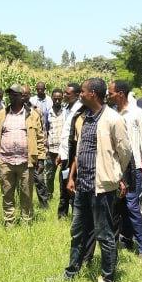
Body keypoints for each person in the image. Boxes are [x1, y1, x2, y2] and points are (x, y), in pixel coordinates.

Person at [63, 78, 133, 282]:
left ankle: (108, 277)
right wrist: (72, 177)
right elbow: (78, 150)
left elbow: (125, 152)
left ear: (93, 93)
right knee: (77, 231)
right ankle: (71, 271)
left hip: (102, 186)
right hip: (82, 186)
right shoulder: (82, 117)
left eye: (82, 92)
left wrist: (116, 174)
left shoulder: (113, 119)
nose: (80, 95)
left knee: (104, 233)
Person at [0, 84, 46, 226]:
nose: (12, 98)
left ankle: (26, 222)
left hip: (26, 162)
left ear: (22, 97)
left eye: (15, 95)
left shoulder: (33, 115)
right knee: (7, 193)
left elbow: (40, 138)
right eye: (10, 95)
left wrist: (41, 159)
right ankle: (9, 222)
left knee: (26, 194)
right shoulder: (1, 115)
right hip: (5, 161)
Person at [110, 78, 142, 256]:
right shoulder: (112, 113)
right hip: (115, 166)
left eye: (111, 93)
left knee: (132, 205)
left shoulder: (136, 113)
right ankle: (125, 240)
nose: (108, 95)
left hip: (132, 166)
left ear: (120, 94)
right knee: (118, 206)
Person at [55, 82, 82, 219]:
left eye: (67, 93)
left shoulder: (79, 111)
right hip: (65, 155)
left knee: (72, 184)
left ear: (77, 95)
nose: (64, 95)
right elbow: (65, 135)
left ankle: (75, 215)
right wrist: (61, 153)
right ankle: (62, 214)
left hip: (74, 157)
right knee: (63, 184)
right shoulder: (67, 108)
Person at [45, 88, 66, 211]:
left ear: (62, 98)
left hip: (63, 150)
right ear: (52, 98)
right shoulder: (48, 112)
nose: (57, 100)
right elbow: (46, 129)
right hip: (51, 150)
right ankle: (49, 195)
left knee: (64, 175)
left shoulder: (66, 112)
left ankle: (64, 196)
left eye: (59, 98)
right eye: (55, 98)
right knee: (49, 175)